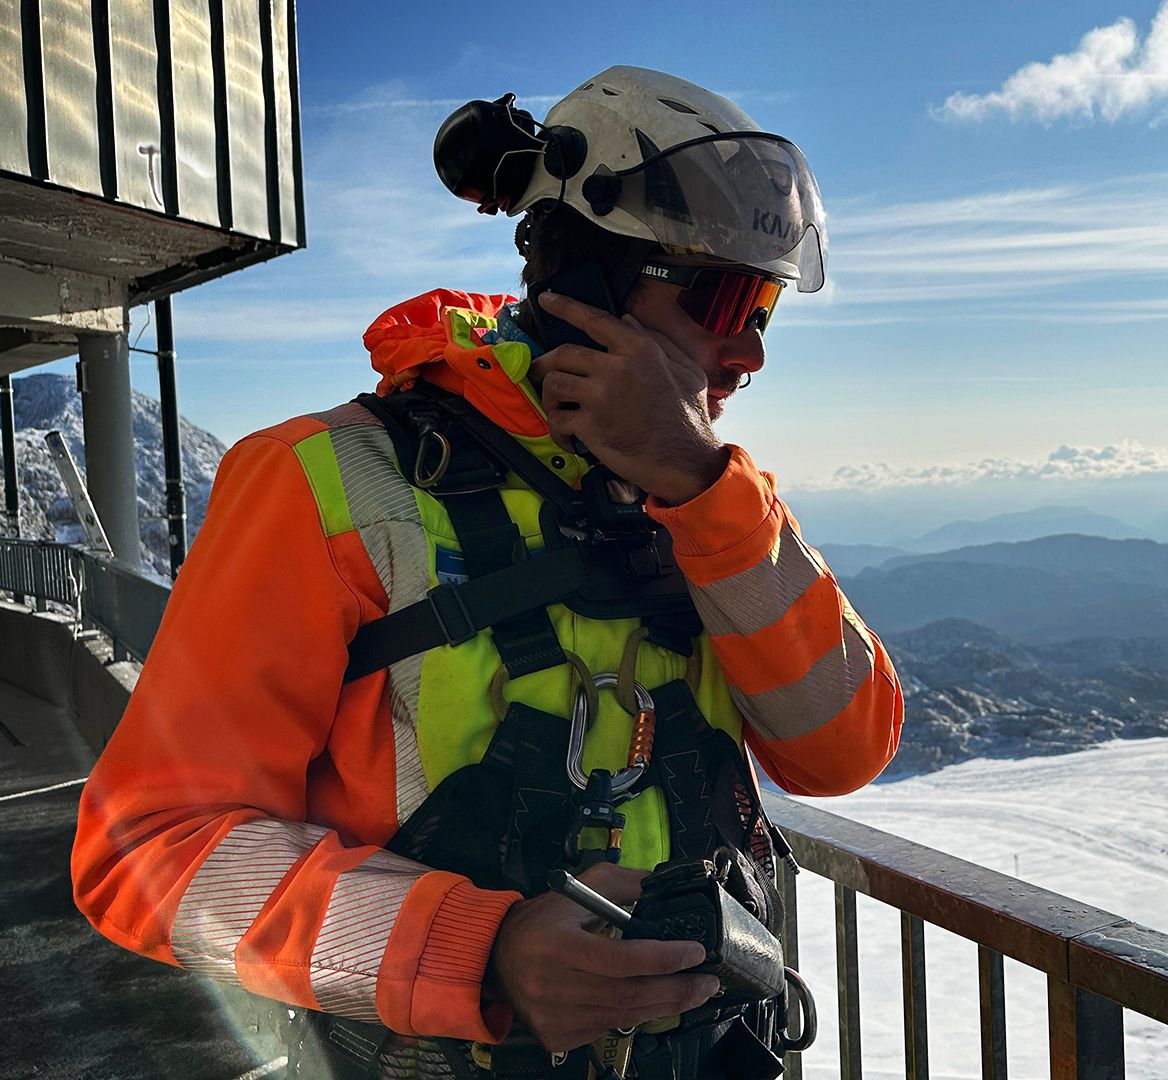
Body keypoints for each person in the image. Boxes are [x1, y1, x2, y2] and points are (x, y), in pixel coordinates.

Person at [70, 66, 903, 1078]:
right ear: (588, 280)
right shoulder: (319, 481)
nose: (749, 352)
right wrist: (480, 950)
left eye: (764, 307)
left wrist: (699, 487)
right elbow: (148, 851)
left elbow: (844, 745)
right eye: (723, 294)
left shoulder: (713, 498)